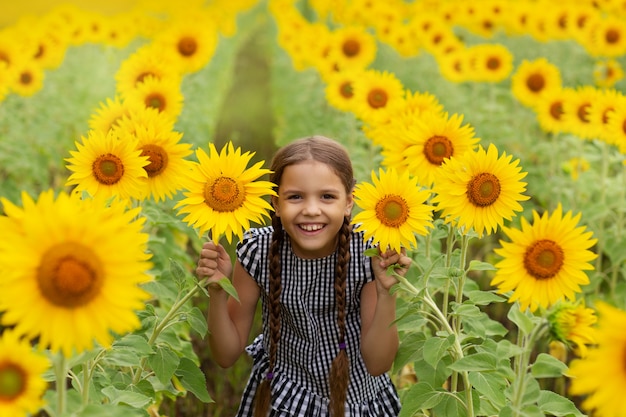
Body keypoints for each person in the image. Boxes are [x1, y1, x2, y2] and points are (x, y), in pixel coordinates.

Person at [196, 135, 410, 416]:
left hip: (354, 402)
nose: (311, 210)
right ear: (276, 202)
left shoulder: (367, 254)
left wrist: (386, 294)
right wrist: (218, 292)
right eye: (295, 196)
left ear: (348, 203)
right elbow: (225, 355)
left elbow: (378, 363)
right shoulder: (259, 250)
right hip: (283, 400)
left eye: (327, 197)